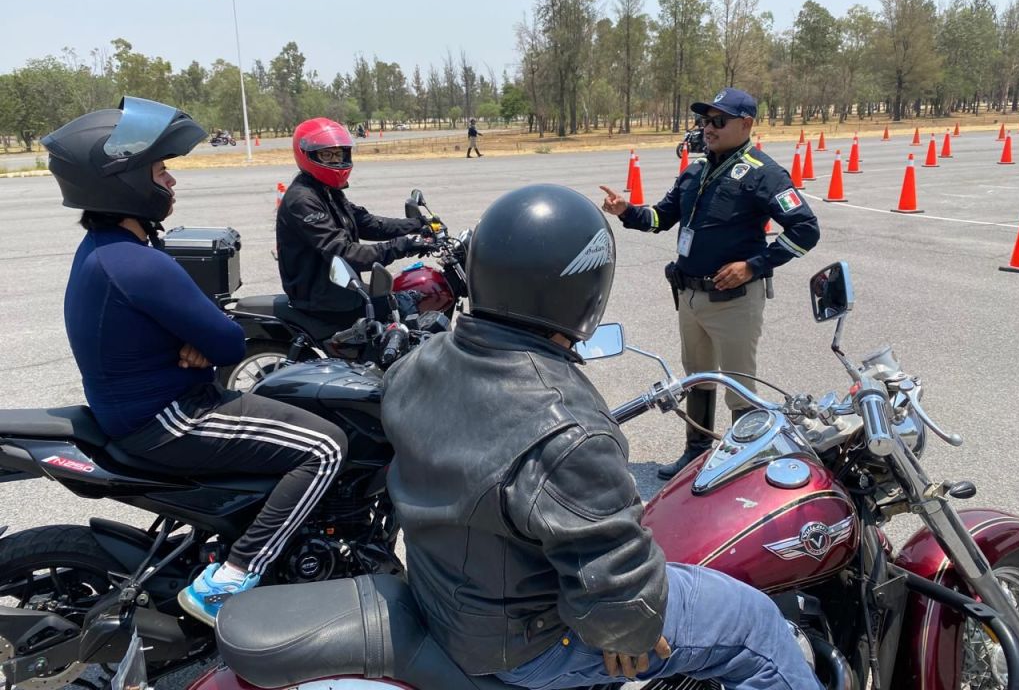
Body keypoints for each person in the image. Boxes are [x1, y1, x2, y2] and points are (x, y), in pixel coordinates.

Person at [381, 183, 822, 690]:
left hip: (453, 603)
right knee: (755, 624)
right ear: (583, 287)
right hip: (529, 640)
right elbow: (616, 583)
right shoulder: (567, 426)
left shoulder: (419, 362)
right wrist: (628, 629)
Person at [44, 97, 349, 626]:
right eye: (159, 170)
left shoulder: (104, 249)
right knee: (326, 447)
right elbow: (229, 344)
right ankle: (230, 579)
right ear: (123, 182)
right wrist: (203, 340)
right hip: (171, 419)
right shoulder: (138, 263)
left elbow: (202, 333)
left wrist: (197, 339)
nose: (170, 180)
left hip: (142, 411)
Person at [601, 87, 820, 480]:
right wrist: (626, 211)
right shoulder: (695, 172)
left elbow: (805, 229)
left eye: (718, 120)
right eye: (704, 120)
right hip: (690, 296)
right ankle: (697, 452)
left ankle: (743, 463)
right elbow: (661, 218)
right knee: (697, 376)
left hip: (733, 300)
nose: (708, 128)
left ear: (746, 124)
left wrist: (754, 266)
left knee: (739, 385)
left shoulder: (764, 173)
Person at [276, 117, 434, 328]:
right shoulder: (303, 200)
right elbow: (345, 253)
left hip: (338, 290)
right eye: (326, 155)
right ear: (307, 154)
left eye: (338, 154)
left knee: (407, 297)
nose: (335, 161)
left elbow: (367, 223)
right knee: (404, 308)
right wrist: (403, 245)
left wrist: (418, 224)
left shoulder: (326, 191)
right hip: (322, 300)